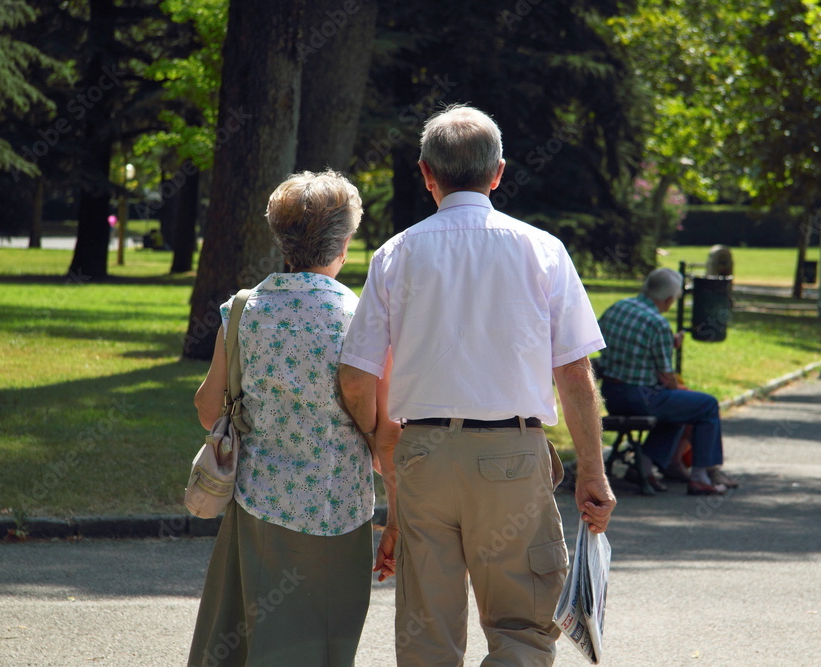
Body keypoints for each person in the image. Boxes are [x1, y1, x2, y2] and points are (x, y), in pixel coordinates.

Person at [337, 104, 616, 666]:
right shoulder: (542, 249)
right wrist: (592, 468)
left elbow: (357, 374)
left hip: (423, 456)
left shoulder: (396, 253)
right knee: (522, 626)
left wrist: (383, 446)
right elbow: (574, 373)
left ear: (426, 174)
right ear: (499, 172)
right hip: (512, 453)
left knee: (427, 635)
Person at [187, 170, 389, 667]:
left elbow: (208, 408)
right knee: (324, 642)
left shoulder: (241, 310)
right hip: (338, 507)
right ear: (342, 242)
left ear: (283, 239)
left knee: (250, 637)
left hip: (259, 501)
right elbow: (382, 424)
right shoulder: (359, 317)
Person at [598, 267, 738, 496]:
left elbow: (618, 347)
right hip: (640, 398)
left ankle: (643, 465)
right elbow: (666, 376)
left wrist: (664, 345)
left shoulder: (617, 308)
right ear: (670, 299)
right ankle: (701, 476)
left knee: (680, 406)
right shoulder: (657, 323)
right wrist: (678, 388)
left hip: (612, 394)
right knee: (705, 404)